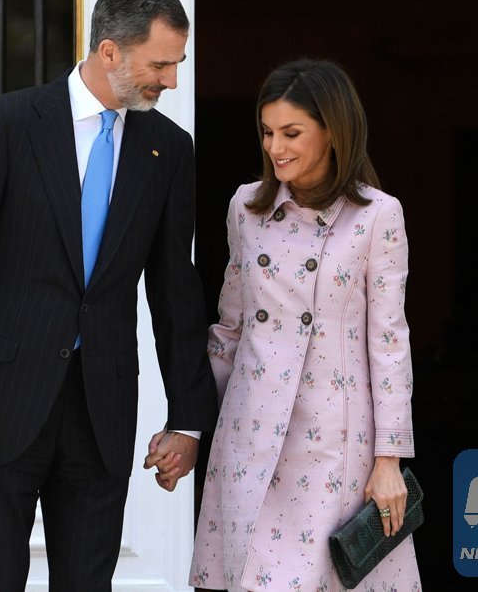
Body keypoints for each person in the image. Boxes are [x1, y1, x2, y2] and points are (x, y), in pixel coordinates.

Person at [0, 0, 218, 590]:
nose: (171, 81)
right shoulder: (6, 124)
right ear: (110, 51)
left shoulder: (169, 148)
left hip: (102, 413)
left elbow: (174, 291)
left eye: (177, 64)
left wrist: (187, 420)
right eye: (160, 64)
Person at [189, 60, 421, 591]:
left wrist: (389, 460)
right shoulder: (246, 207)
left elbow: (389, 343)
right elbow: (229, 330)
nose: (276, 147)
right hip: (250, 436)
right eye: (267, 132)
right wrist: (190, 425)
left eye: (291, 133)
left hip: (334, 443)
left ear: (333, 131)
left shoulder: (378, 215)